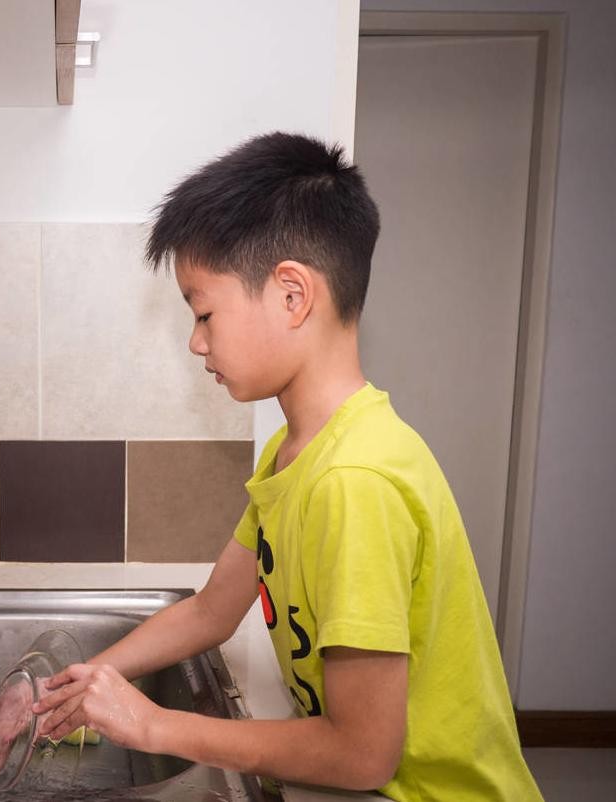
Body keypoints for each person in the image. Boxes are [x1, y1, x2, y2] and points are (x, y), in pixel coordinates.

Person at [32, 132, 543, 800]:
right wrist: (66, 693)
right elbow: (211, 612)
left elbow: (362, 756)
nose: (196, 342)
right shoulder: (298, 452)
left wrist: (155, 725)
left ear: (293, 295)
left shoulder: (353, 483)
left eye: (205, 313)